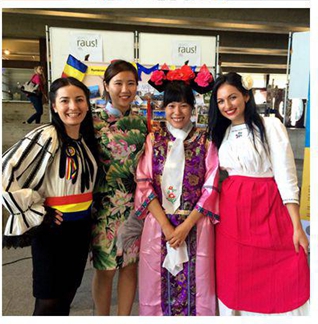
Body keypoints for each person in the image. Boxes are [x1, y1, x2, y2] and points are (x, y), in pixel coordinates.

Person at [208, 72, 309, 316]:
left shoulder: (269, 125)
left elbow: (286, 174)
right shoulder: (223, 132)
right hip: (231, 214)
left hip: (266, 206)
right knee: (235, 273)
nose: (227, 105)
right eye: (220, 101)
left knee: (279, 267)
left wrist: (297, 226)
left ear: (246, 96)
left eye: (232, 97)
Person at [2, 77, 98, 315]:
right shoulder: (47, 135)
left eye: (79, 100)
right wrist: (37, 211)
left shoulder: (84, 139)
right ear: (54, 106)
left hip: (80, 228)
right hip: (54, 230)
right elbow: (5, 172)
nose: (73, 106)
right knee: (48, 302)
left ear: (87, 105)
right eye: (65, 101)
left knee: (67, 296)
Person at [135, 71, 219, 316]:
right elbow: (144, 182)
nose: (177, 112)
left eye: (183, 105)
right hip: (159, 225)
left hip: (196, 226)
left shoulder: (206, 141)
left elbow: (211, 186)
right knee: (156, 289)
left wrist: (185, 227)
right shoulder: (154, 139)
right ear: (164, 108)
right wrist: (167, 227)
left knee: (198, 286)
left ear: (192, 108)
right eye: (171, 105)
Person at [91, 60, 146, 315]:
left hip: (135, 207)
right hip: (104, 207)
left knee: (130, 266)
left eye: (131, 83)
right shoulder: (93, 123)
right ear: (106, 86)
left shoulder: (142, 124)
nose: (125, 89)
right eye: (118, 83)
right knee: (106, 268)